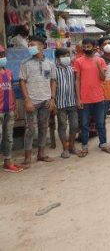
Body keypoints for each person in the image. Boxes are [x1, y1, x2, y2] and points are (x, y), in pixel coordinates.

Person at [20, 36, 56, 168]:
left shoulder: (50, 63)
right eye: (29, 45)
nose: (30, 47)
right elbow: (22, 82)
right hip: (32, 102)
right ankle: (27, 158)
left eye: (32, 44)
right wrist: (27, 100)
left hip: (46, 101)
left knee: (43, 128)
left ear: (42, 46)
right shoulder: (25, 63)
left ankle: (41, 154)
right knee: (30, 129)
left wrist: (52, 99)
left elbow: (53, 81)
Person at [74, 38, 110, 157]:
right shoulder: (79, 61)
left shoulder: (100, 60)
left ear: (94, 47)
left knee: (100, 123)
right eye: (84, 47)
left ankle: (103, 144)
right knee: (84, 124)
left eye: (88, 46)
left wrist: (98, 66)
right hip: (84, 98)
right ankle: (85, 147)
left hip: (98, 97)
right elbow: (77, 80)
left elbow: (103, 78)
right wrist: (78, 98)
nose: (86, 49)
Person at [0, 45, 22, 172]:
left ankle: (8, 162)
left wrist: (15, 107)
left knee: (8, 137)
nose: (2, 57)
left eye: (3, 55)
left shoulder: (8, 72)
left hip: (9, 110)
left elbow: (12, 90)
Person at [54, 48, 79, 159]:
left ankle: (72, 146)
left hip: (72, 102)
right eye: (64, 55)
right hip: (60, 103)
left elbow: (76, 84)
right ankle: (65, 149)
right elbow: (52, 86)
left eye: (67, 55)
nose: (67, 58)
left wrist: (78, 99)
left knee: (74, 125)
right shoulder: (53, 70)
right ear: (58, 58)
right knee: (62, 126)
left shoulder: (71, 69)